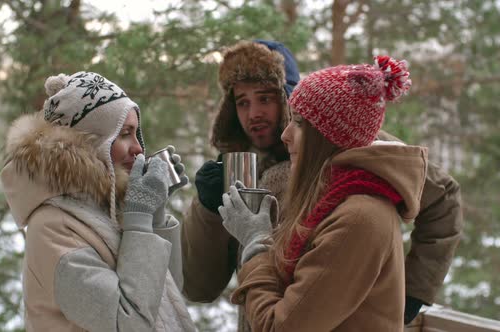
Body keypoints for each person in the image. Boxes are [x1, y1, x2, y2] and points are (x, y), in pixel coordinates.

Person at [181, 40, 462, 329]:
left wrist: (412, 293)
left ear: (288, 97)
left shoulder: (347, 139)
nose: (254, 114)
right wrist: (207, 210)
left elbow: (443, 198)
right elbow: (199, 288)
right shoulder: (235, 167)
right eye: (242, 102)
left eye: (265, 98)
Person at [219, 56, 426, 330]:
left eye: (301, 123)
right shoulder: (332, 199)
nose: (286, 134)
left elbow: (281, 327)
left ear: (329, 136)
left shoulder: (357, 219)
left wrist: (255, 243)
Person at [0, 71, 196, 331]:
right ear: (89, 142)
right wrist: (139, 218)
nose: (138, 148)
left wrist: (154, 214)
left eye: (137, 133)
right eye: (125, 133)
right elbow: (128, 322)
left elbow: (167, 293)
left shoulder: (107, 206)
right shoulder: (52, 228)